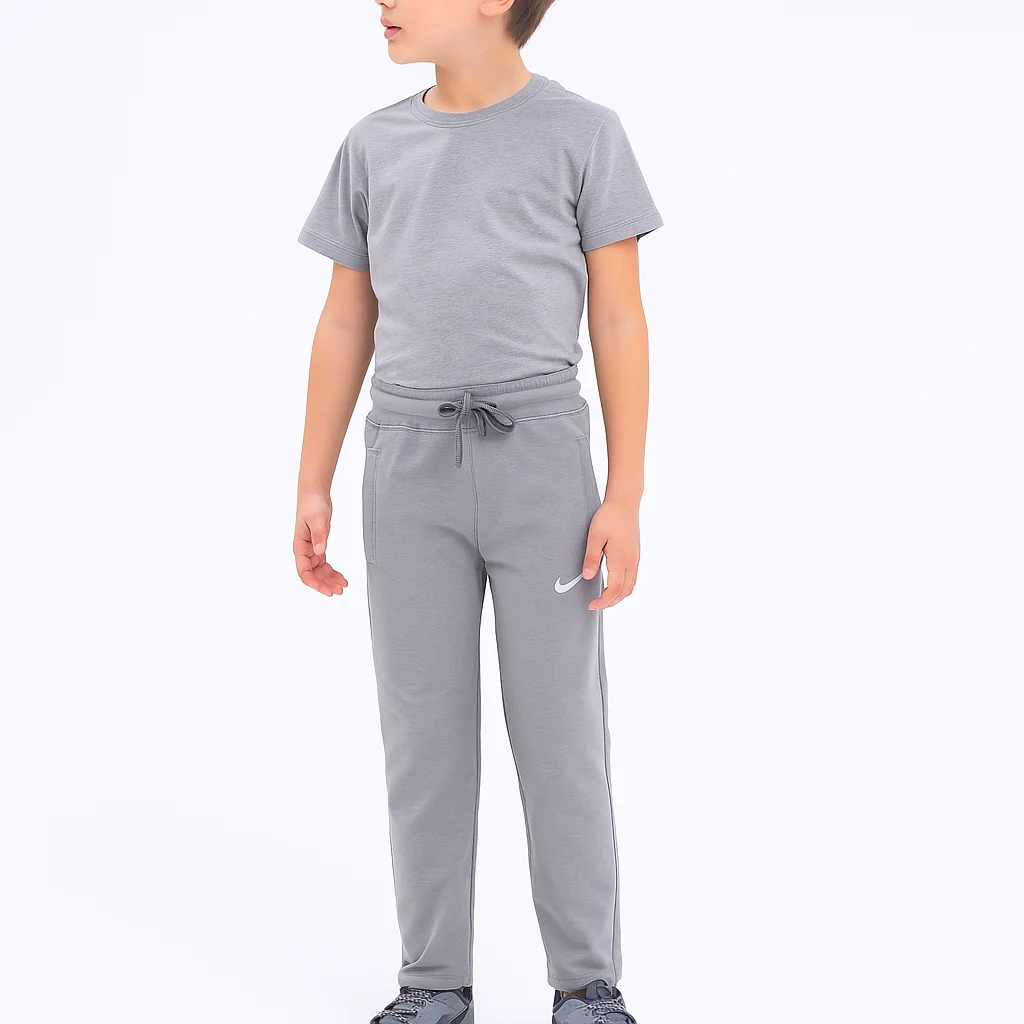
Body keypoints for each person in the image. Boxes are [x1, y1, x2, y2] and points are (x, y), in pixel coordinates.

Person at [293, 2, 663, 1021]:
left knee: (560, 733)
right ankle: (432, 983)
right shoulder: (374, 146)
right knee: (422, 735)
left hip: (541, 462)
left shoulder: (583, 134)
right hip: (406, 464)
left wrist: (625, 492)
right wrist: (313, 478)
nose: (384, 0)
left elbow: (619, 317)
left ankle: (586, 982)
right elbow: (345, 318)